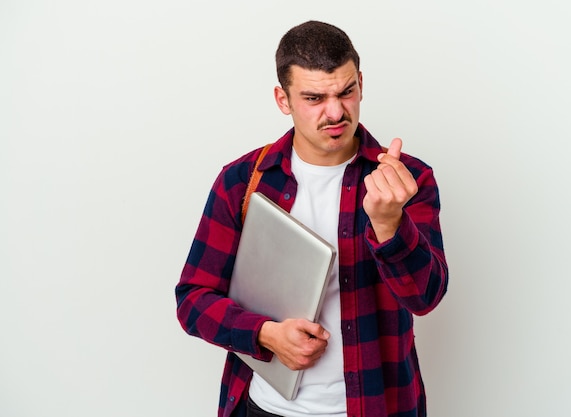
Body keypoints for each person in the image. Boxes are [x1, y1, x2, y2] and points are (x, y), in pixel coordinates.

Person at [176, 20, 448, 417]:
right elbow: (193, 301)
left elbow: (426, 298)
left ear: (360, 83)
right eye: (314, 98)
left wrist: (389, 225)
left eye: (346, 91)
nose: (335, 112)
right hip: (265, 408)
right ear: (282, 99)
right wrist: (266, 334)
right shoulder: (243, 182)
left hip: (377, 407)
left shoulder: (407, 180)